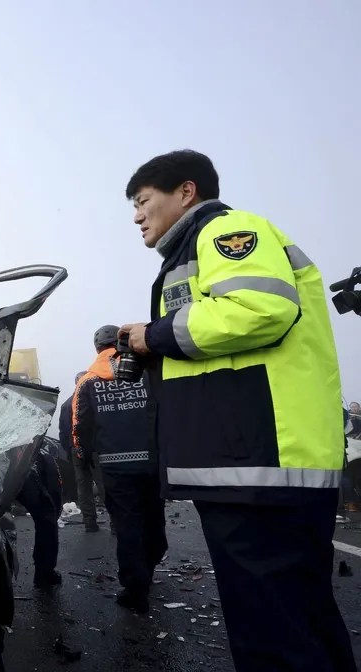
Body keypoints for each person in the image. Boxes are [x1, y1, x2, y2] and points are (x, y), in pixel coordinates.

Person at [118, 149, 355, 671]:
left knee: (271, 637)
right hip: (257, 463)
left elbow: (259, 309)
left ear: (186, 191)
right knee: (303, 620)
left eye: (142, 201)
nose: (136, 216)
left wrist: (154, 336)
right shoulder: (194, 253)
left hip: (259, 463)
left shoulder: (226, 232)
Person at [73, 325, 165, 613]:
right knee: (153, 521)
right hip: (153, 464)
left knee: (127, 527)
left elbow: (80, 427)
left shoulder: (87, 382)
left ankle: (136, 590)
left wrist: (86, 456)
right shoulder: (149, 373)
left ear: (98, 348)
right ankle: (148, 568)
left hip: (115, 468)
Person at [16, 437, 64, 589]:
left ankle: (45, 570)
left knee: (47, 514)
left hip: (27, 452)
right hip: (20, 454)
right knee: (46, 514)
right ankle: (45, 571)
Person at [61, 371, 105, 531]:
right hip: (94, 449)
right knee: (103, 483)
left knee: (83, 486)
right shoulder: (94, 400)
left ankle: (89, 523)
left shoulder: (66, 404)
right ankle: (116, 524)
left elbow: (62, 432)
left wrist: (71, 449)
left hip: (76, 450)